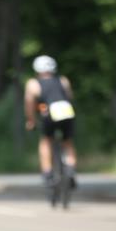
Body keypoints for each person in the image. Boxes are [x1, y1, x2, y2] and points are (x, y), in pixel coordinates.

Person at [24, 55, 77, 188]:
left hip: (49, 113)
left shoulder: (33, 83)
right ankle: (70, 169)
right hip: (66, 111)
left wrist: (31, 120)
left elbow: (29, 103)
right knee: (68, 142)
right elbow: (69, 97)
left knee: (46, 140)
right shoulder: (63, 80)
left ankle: (47, 173)